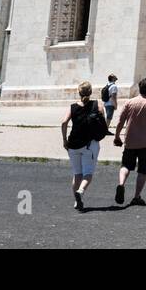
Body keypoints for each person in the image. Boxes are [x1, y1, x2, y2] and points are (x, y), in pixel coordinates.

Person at [112, 77, 146, 206]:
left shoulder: (129, 102)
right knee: (143, 170)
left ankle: (121, 184)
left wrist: (117, 136)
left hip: (130, 141)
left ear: (139, 89)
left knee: (125, 165)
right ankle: (136, 196)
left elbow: (120, 121)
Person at [61, 81, 107, 211]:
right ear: (91, 92)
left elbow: (64, 122)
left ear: (79, 92)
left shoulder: (72, 107)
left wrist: (64, 140)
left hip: (73, 145)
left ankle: (77, 202)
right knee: (88, 173)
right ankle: (80, 191)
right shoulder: (97, 105)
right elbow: (103, 123)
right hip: (89, 144)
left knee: (77, 174)